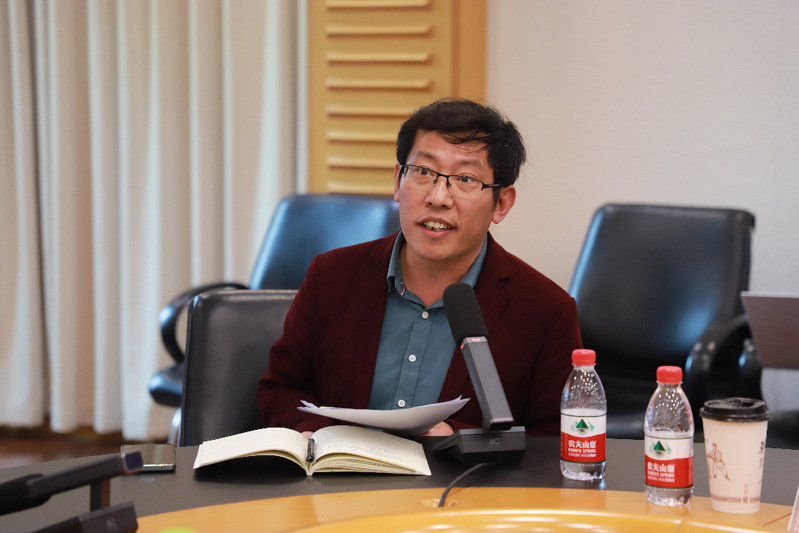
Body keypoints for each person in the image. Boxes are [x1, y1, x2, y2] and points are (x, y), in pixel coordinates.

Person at [257, 97, 582, 437]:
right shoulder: (331, 275)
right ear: (397, 181)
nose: (438, 197)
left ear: (500, 203)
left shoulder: (546, 310)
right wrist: (313, 432)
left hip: (459, 474)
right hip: (340, 471)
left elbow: (555, 440)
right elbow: (280, 388)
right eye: (423, 172)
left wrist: (458, 439)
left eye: (466, 178)